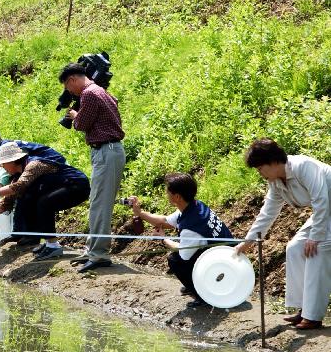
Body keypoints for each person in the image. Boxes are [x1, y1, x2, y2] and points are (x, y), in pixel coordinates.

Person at [235, 139, 330, 330]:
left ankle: (313, 317)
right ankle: (304, 309)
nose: (260, 173)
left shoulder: (303, 167)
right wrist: (248, 242)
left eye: (260, 168)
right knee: (295, 248)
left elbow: (321, 200)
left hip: (325, 209)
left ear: (273, 161)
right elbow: (268, 213)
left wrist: (315, 237)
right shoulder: (276, 183)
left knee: (316, 250)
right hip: (325, 214)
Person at [128, 173, 233, 308]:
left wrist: (164, 239)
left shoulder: (191, 227)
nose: (166, 194)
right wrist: (140, 213)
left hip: (224, 265)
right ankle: (196, 285)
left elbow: (182, 252)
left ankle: (203, 296)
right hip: (222, 253)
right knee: (184, 257)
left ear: (177, 196)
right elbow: (164, 222)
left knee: (175, 260)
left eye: (168, 192)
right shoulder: (195, 206)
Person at [0, 140, 90, 258]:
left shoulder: (34, 165)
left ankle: (53, 245)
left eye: (3, 164)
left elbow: (19, 186)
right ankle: (48, 242)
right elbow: (5, 203)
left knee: (44, 203)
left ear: (12, 161)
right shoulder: (17, 176)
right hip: (63, 188)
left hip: (77, 185)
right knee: (30, 199)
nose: (2, 167)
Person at [59, 63, 126, 273]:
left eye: (67, 87)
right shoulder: (102, 91)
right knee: (97, 202)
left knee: (100, 205)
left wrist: (73, 116)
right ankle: (93, 250)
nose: (69, 91)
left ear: (72, 80)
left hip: (106, 152)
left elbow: (82, 125)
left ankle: (99, 255)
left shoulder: (88, 94)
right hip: (107, 152)